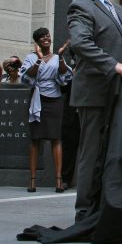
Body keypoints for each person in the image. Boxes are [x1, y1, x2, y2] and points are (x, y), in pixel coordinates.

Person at [67, 0, 122, 221]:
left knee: (117, 150)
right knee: (92, 151)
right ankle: (84, 212)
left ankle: (110, 205)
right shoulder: (80, 7)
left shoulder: (121, 10)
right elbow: (80, 43)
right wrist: (113, 65)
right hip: (95, 91)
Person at [19, 28, 73, 193]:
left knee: (56, 139)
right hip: (37, 99)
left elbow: (65, 77)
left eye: (48, 36)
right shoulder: (31, 57)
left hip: (55, 100)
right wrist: (39, 60)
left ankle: (58, 180)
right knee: (35, 140)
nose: (46, 39)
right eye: (42, 37)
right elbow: (28, 77)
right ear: (37, 41)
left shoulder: (57, 57)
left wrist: (62, 57)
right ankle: (32, 180)